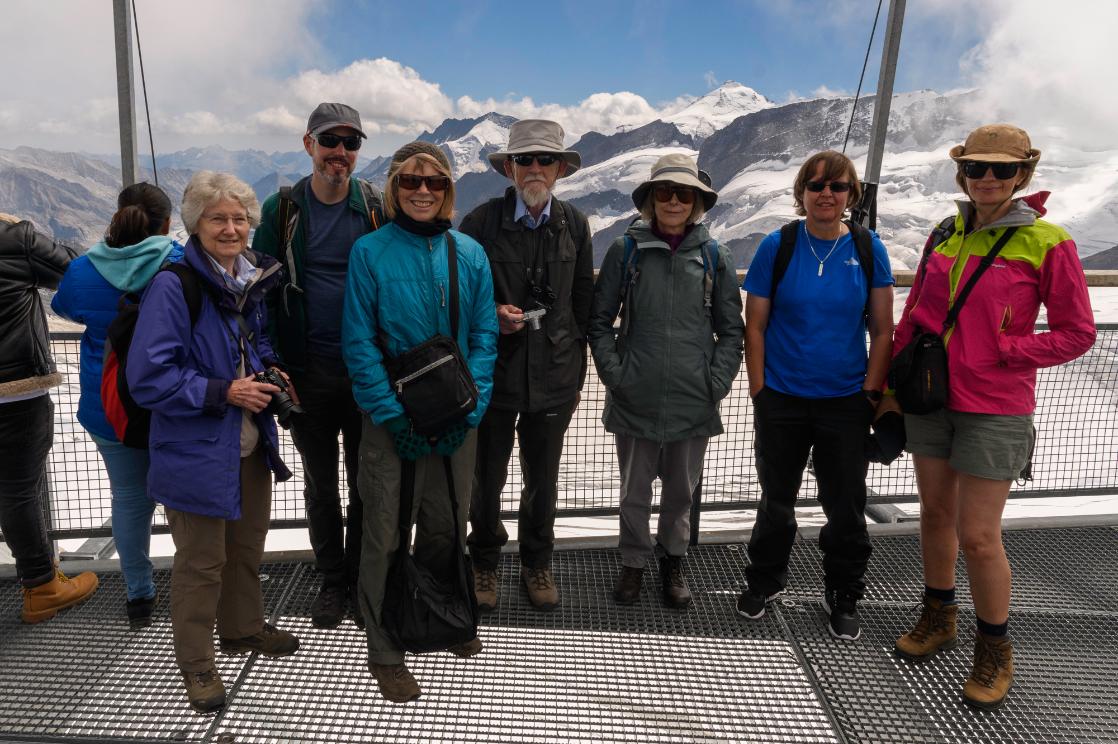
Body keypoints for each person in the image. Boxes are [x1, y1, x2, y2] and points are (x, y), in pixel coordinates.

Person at [889, 124, 1094, 709]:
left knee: (978, 536)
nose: (986, 178)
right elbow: (915, 319)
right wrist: (885, 387)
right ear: (962, 173)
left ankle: (994, 647)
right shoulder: (945, 233)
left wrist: (1007, 350)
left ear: (1022, 175)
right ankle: (939, 614)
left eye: (1001, 170)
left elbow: (1076, 333)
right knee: (934, 514)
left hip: (996, 406)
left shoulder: (1047, 241)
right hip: (932, 397)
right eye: (976, 168)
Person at [126, 171, 298, 713]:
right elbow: (149, 377)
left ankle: (243, 629)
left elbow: (257, 340)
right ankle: (197, 666)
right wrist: (226, 391)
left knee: (245, 549)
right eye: (217, 219)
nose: (230, 228)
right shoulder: (174, 287)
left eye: (239, 218)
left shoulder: (248, 279)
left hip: (248, 441)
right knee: (200, 564)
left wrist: (271, 367)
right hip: (197, 448)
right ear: (195, 226)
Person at [342, 141, 497, 703]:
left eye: (434, 182)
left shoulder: (470, 254)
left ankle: (439, 611)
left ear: (448, 190)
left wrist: (470, 409)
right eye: (410, 182)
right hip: (393, 422)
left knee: (444, 524)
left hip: (455, 419)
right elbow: (359, 343)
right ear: (395, 189)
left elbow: (483, 337)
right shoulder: (370, 253)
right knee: (384, 531)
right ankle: (384, 647)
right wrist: (390, 413)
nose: (423, 191)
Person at [737, 150, 894, 641]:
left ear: (852, 195)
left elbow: (883, 331)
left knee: (844, 504)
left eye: (838, 186)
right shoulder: (778, 245)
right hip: (782, 397)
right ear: (801, 192)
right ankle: (765, 580)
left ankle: (844, 592)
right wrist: (761, 392)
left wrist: (870, 393)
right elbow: (755, 325)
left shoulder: (869, 249)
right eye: (817, 185)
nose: (827, 194)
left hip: (845, 400)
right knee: (776, 499)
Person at [588, 153, 744, 609]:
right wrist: (617, 377)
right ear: (650, 199)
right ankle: (633, 564)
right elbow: (599, 322)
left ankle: (673, 562)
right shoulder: (626, 250)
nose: (673, 201)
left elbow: (731, 330)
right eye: (664, 192)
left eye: (683, 193)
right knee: (634, 494)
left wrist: (714, 383)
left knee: (681, 494)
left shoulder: (715, 255)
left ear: (697, 201)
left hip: (693, 400)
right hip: (636, 395)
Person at [253, 102, 385, 629]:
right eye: (331, 141)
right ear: (308, 144)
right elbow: (258, 286)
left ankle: (357, 577)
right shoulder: (282, 209)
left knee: (363, 482)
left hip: (363, 371)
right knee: (321, 484)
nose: (341, 153)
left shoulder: (373, 206)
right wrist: (268, 361)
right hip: (305, 371)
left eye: (351, 144)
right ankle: (334, 580)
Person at [459, 119, 593, 613]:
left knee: (544, 479)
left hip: (555, 377)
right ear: (509, 168)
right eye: (524, 160)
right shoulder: (479, 223)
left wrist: (575, 366)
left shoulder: (576, 224)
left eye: (544, 160)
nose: (534, 169)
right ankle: (485, 562)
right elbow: (460, 298)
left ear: (560, 168)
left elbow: (583, 302)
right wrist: (492, 316)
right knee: (487, 478)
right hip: (493, 375)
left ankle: (538, 561)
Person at [51, 183, 182, 629]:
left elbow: (66, 308)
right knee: (185, 500)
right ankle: (200, 588)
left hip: (107, 406)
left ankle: (139, 596)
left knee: (129, 500)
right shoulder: (179, 263)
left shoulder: (84, 269)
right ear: (166, 223)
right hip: (172, 403)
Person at [0, 213, 99, 623]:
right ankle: (42, 587)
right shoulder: (11, 238)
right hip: (14, 391)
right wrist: (23, 232)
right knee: (18, 490)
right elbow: (74, 272)